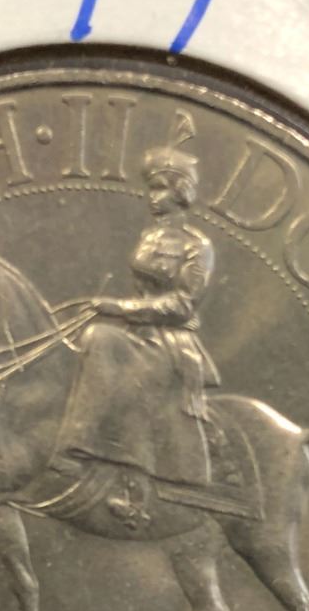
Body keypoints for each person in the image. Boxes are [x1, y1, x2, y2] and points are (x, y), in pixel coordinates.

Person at [57, 143, 220, 489]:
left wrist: (121, 309)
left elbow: (183, 305)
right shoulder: (150, 235)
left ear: (180, 192)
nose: (152, 197)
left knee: (99, 339)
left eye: (160, 189)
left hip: (173, 344)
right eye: (151, 188)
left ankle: (77, 448)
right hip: (139, 334)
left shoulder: (197, 246)